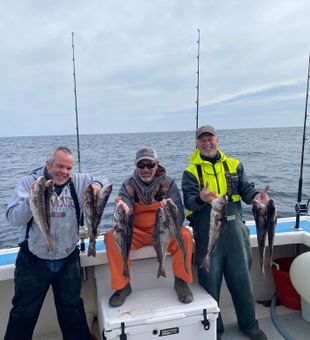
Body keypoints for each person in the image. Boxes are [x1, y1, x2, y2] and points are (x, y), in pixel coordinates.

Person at [4, 146, 111, 340]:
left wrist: (95, 184)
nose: (64, 172)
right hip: (33, 260)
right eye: (60, 166)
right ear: (48, 164)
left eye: (69, 168)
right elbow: (13, 218)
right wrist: (31, 200)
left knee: (73, 313)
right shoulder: (29, 182)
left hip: (68, 259)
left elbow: (106, 181)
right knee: (23, 314)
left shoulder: (78, 181)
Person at [182, 125, 269, 340]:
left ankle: (250, 325)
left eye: (210, 138)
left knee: (243, 282)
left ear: (217, 140)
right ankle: (214, 330)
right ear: (197, 143)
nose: (207, 143)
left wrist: (257, 196)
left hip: (236, 236)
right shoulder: (191, 172)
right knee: (210, 285)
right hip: (207, 236)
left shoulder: (234, 165)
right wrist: (201, 199)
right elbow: (188, 201)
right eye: (202, 140)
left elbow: (247, 190)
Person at [104, 147, 193, 307]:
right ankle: (122, 286)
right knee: (111, 237)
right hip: (136, 232)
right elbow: (122, 212)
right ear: (136, 166)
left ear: (157, 164)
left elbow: (180, 216)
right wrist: (124, 208)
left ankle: (181, 281)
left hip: (163, 230)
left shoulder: (169, 183)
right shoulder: (128, 184)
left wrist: (171, 210)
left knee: (185, 235)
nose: (145, 169)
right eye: (141, 165)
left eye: (150, 165)